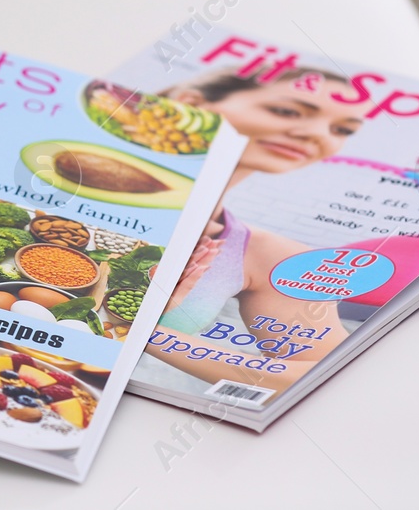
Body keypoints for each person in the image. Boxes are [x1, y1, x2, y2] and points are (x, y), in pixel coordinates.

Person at [143, 65, 372, 393]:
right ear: (191, 102)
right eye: (286, 111)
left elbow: (323, 373)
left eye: (342, 129)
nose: (319, 135)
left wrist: (146, 333)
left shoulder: (270, 255)